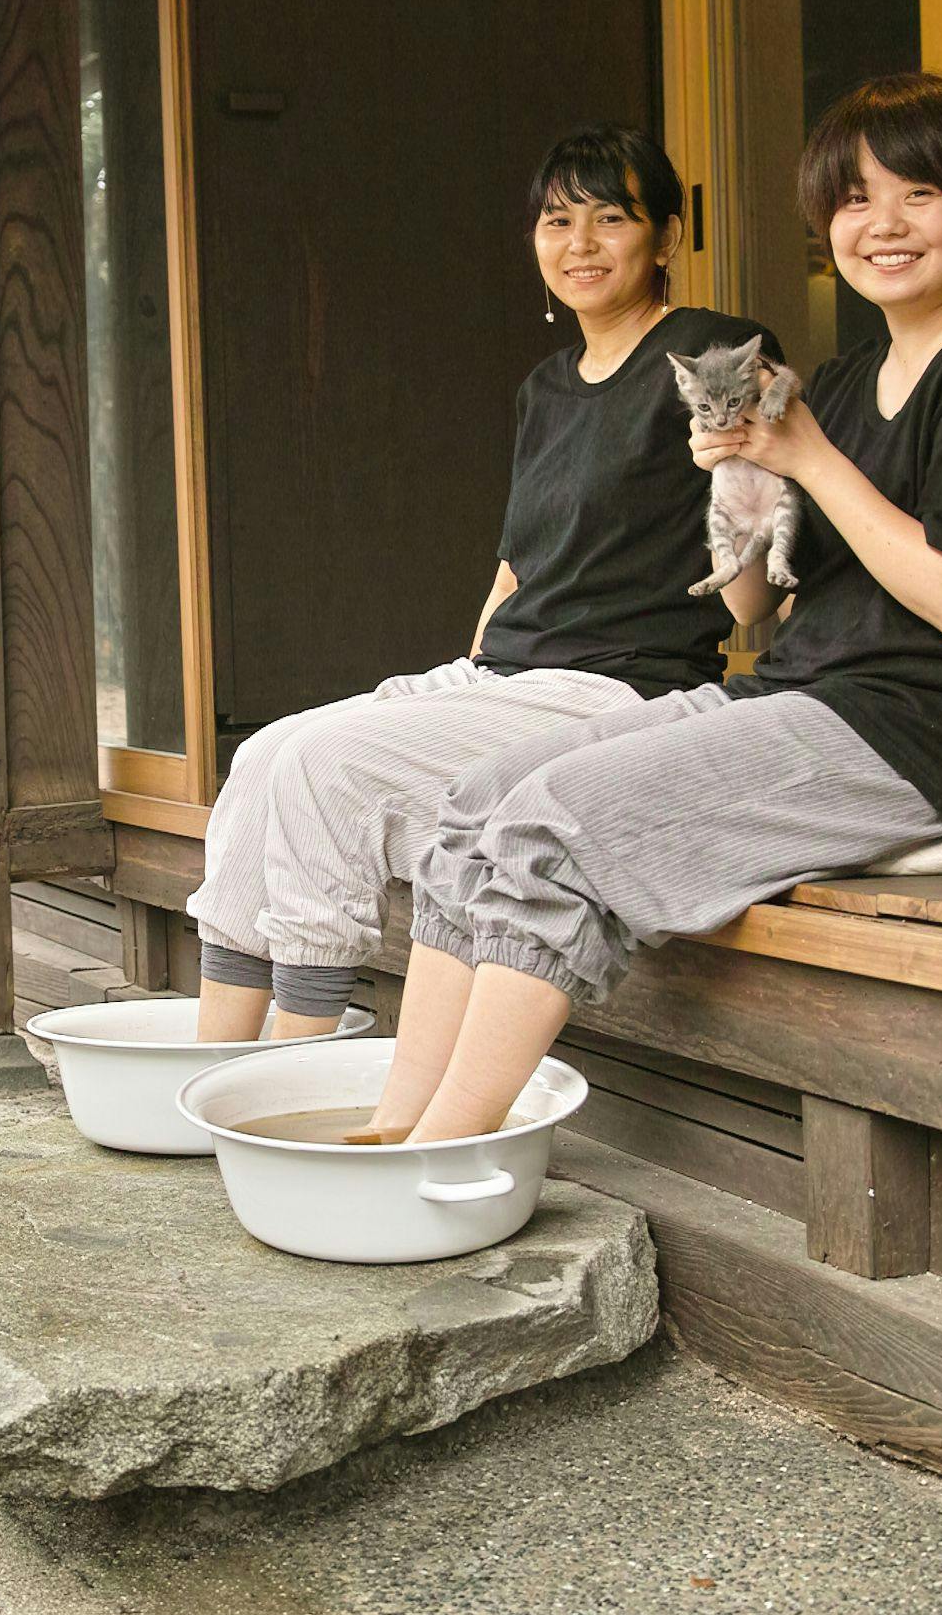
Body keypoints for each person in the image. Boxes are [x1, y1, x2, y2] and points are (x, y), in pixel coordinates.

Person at [363, 71, 942, 1143]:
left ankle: (442, 1152)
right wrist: (740, 481)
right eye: (852, 201)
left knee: (556, 831)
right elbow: (752, 608)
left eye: (918, 195)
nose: (882, 224)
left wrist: (809, 458)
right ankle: (391, 1123)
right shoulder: (842, 382)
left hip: (938, 722)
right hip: (806, 687)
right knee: (474, 804)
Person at [189, 126, 778, 1042]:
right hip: (508, 678)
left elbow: (753, 603)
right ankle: (211, 1063)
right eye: (555, 220)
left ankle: (293, 1061)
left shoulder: (711, 352)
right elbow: (515, 568)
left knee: (323, 766)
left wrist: (743, 469)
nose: (577, 244)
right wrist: (459, 679)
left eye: (608, 217)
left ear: (666, 237)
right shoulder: (544, 388)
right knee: (265, 755)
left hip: (618, 685)